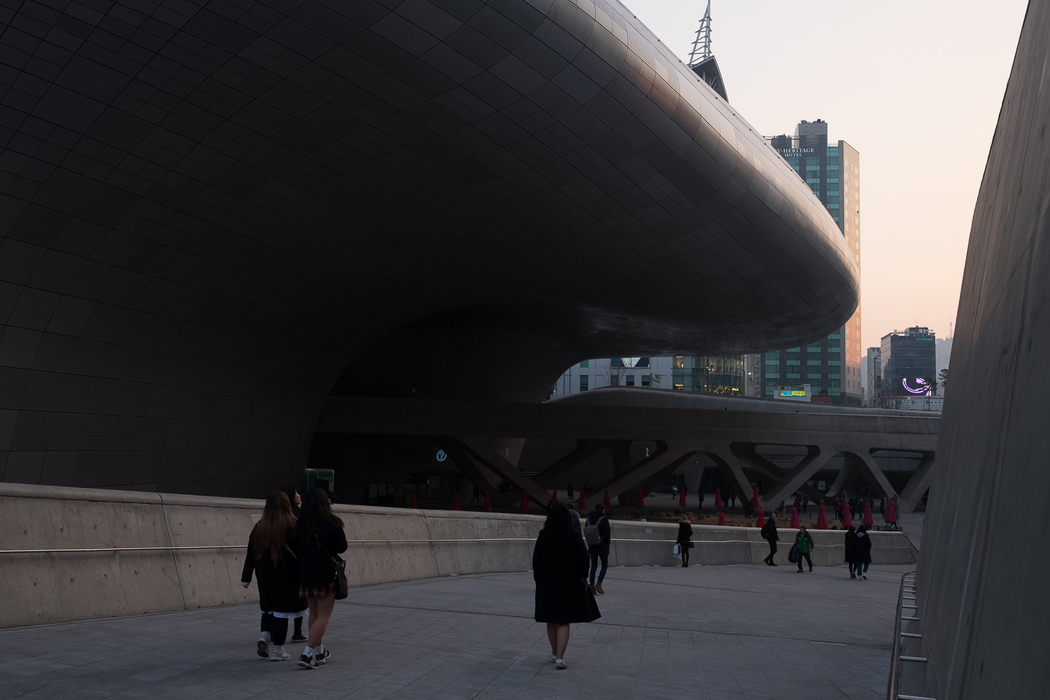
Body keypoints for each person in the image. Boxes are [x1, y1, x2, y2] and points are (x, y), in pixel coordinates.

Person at [533, 502, 600, 669]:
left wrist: (538, 580)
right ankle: (560, 658)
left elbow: (537, 561)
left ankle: (555, 652)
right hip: (569, 583)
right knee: (564, 620)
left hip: (547, 583)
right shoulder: (574, 536)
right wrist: (582, 576)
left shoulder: (543, 536)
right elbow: (584, 559)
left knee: (550, 619)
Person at [241, 491, 307, 661]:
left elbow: (251, 553)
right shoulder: (293, 524)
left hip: (264, 576)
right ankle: (278, 650)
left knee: (268, 608)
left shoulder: (259, 526)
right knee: (281, 613)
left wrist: (245, 577)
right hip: (287, 576)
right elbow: (303, 552)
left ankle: (264, 636)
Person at [292, 487, 348, 669]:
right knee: (324, 615)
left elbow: (295, 546)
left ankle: (319, 651)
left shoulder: (300, 523)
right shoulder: (332, 522)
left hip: (305, 572)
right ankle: (307, 654)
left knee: (314, 614)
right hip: (325, 572)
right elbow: (342, 547)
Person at [278, 486, 308, 643]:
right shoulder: (298, 515)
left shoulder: (276, 516)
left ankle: (270, 633)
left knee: (279, 600)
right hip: (296, 564)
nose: (299, 495)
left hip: (279, 564)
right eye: (296, 493)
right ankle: (297, 632)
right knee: (299, 599)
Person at [584, 503, 611, 594]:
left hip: (592, 546)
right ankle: (598, 584)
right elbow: (607, 534)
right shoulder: (604, 519)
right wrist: (607, 544)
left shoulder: (588, 519)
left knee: (593, 566)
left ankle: (591, 585)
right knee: (604, 565)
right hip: (602, 546)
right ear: (603, 510)